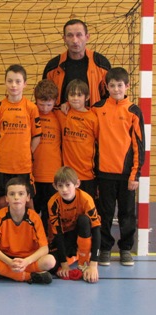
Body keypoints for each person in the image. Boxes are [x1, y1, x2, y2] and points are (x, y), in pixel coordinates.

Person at [91, 67, 145, 266]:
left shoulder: (133, 111)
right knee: (104, 213)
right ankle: (105, 248)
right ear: (106, 86)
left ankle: (125, 249)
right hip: (103, 174)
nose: (115, 89)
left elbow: (139, 145)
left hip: (125, 175)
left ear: (127, 86)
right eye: (112, 85)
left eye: (119, 85)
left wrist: (135, 174)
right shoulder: (97, 108)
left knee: (127, 213)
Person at [0, 177, 55, 284]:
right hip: (7, 259)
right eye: (12, 194)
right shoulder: (0, 216)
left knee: (50, 261)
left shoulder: (34, 218)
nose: (16, 197)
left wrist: (26, 261)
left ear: (28, 197)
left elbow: (44, 248)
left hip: (28, 260)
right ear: (6, 198)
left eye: (21, 194)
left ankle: (5, 273)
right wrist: (10, 262)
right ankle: (27, 276)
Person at [0, 64, 42, 209]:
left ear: (25, 84)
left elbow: (37, 135)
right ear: (5, 82)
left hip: (23, 165)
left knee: (28, 202)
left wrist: (27, 151)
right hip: (3, 165)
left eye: (18, 81)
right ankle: (1, 230)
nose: (14, 85)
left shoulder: (31, 108)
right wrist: (2, 150)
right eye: (10, 81)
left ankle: (33, 230)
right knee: (1, 202)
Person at [48, 166, 101, 283]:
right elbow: (58, 235)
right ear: (55, 186)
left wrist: (93, 264)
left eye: (68, 185)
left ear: (77, 184)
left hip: (81, 233)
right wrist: (64, 265)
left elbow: (96, 230)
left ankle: (83, 261)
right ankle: (72, 256)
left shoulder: (86, 199)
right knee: (51, 266)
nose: (64, 190)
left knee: (84, 220)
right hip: (66, 236)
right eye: (60, 186)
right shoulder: (53, 203)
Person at [42, 19, 111, 109]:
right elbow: (44, 98)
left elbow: (110, 99)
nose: (75, 40)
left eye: (79, 35)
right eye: (70, 35)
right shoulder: (53, 67)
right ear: (64, 38)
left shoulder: (101, 64)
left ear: (87, 37)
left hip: (93, 119)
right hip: (62, 119)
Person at [60, 79, 99, 199]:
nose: (75, 98)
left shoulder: (92, 118)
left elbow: (99, 144)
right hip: (67, 176)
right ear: (67, 97)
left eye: (79, 95)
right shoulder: (63, 114)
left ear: (87, 97)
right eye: (72, 94)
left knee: (87, 213)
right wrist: (64, 105)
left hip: (87, 175)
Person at [32, 79, 62, 234]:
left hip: (52, 175)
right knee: (33, 213)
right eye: (41, 104)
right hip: (33, 173)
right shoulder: (31, 112)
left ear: (55, 101)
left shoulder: (59, 116)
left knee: (50, 213)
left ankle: (51, 244)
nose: (44, 108)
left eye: (49, 104)